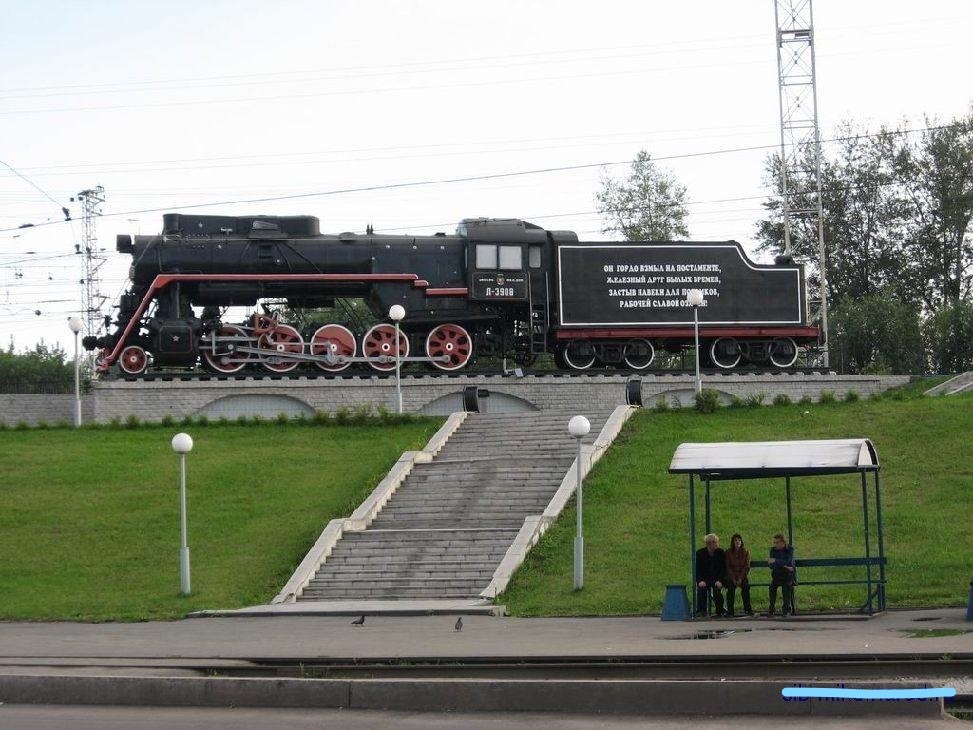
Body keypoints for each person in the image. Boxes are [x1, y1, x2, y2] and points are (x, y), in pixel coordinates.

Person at [695, 533, 726, 617]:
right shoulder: (700, 553)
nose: (716, 544)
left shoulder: (720, 552)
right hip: (705, 579)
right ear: (709, 544)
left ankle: (719, 612)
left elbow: (723, 569)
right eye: (715, 542)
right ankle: (702, 611)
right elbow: (697, 570)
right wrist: (700, 580)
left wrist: (720, 580)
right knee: (701, 589)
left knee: (717, 592)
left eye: (716, 542)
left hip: (717, 579)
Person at [767, 533, 796, 616]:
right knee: (772, 588)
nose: (775, 544)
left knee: (786, 587)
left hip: (788, 576)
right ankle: (771, 609)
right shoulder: (773, 550)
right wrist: (784, 565)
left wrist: (776, 561)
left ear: (783, 542)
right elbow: (771, 566)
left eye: (777, 542)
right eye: (774, 542)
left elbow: (789, 562)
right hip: (777, 575)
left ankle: (786, 610)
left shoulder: (790, 549)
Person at [724, 533, 752, 617]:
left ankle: (748, 609)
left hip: (742, 576)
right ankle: (730, 611)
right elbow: (728, 567)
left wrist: (740, 578)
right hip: (731, 576)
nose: (737, 542)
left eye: (739, 540)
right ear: (732, 542)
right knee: (730, 589)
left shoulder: (745, 552)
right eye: (735, 540)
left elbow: (746, 567)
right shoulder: (728, 552)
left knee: (746, 587)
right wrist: (733, 578)